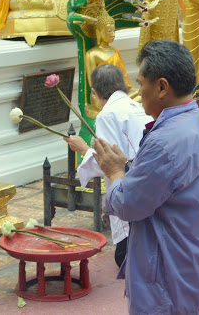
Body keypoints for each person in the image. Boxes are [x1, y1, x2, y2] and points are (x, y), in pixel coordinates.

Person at [93, 39, 199, 314]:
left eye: (142, 82)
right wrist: (132, 170)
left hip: (171, 278)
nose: (138, 91)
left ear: (162, 87)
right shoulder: (198, 120)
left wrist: (115, 172)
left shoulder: (165, 141)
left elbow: (128, 204)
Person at [64, 64, 152, 267]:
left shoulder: (108, 114)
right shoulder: (136, 107)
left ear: (95, 93)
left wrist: (84, 149)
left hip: (128, 185)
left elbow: (109, 161)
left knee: (124, 257)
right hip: (145, 182)